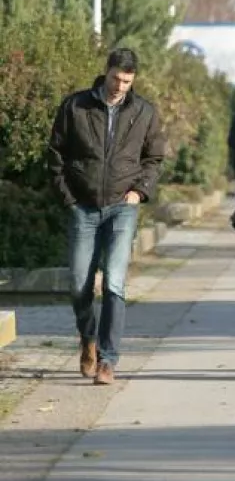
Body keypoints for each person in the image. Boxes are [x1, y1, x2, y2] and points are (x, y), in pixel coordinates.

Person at [47, 48, 166, 386]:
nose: (119, 86)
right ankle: (88, 339)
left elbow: (154, 158)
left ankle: (108, 360)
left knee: (114, 282)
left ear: (134, 80)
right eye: (115, 78)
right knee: (78, 284)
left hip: (121, 208)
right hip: (82, 206)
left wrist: (139, 192)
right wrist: (68, 199)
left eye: (127, 81)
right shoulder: (76, 106)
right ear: (107, 71)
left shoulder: (144, 112)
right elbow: (56, 153)